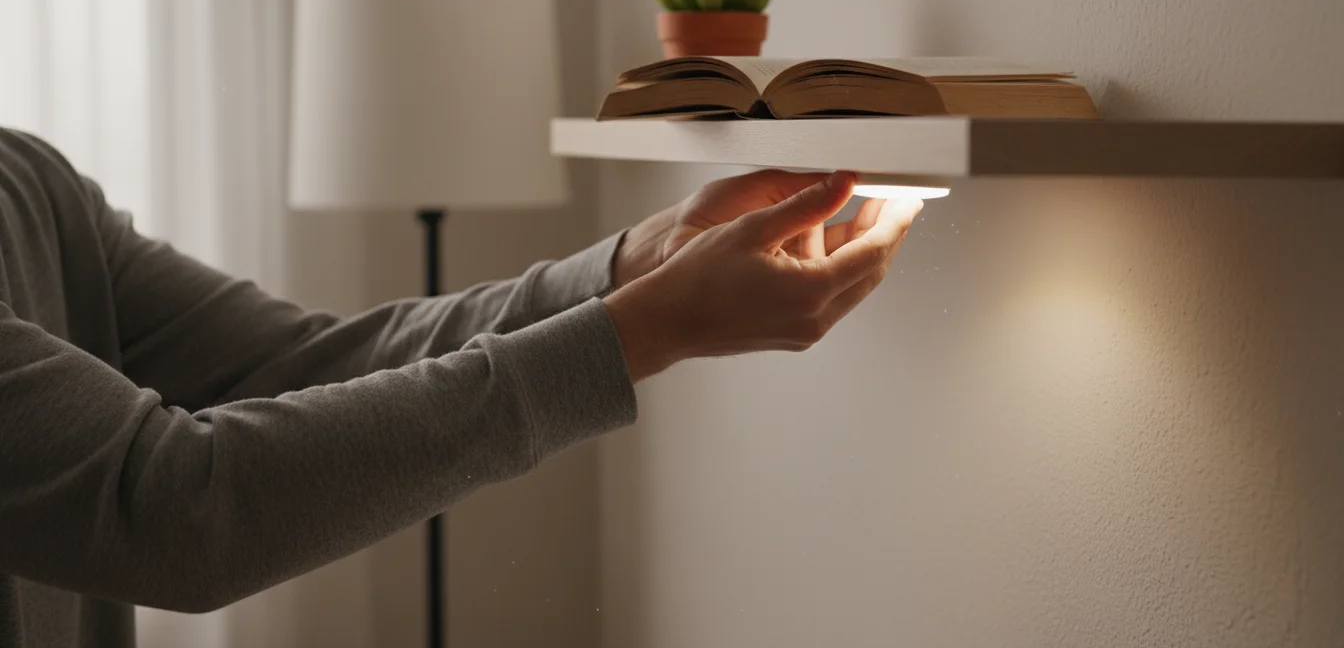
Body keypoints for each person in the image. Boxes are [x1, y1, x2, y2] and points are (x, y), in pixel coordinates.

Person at [0, 126, 921, 648]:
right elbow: (166, 507)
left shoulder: (25, 185)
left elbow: (314, 365)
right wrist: (644, 331)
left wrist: (628, 272)